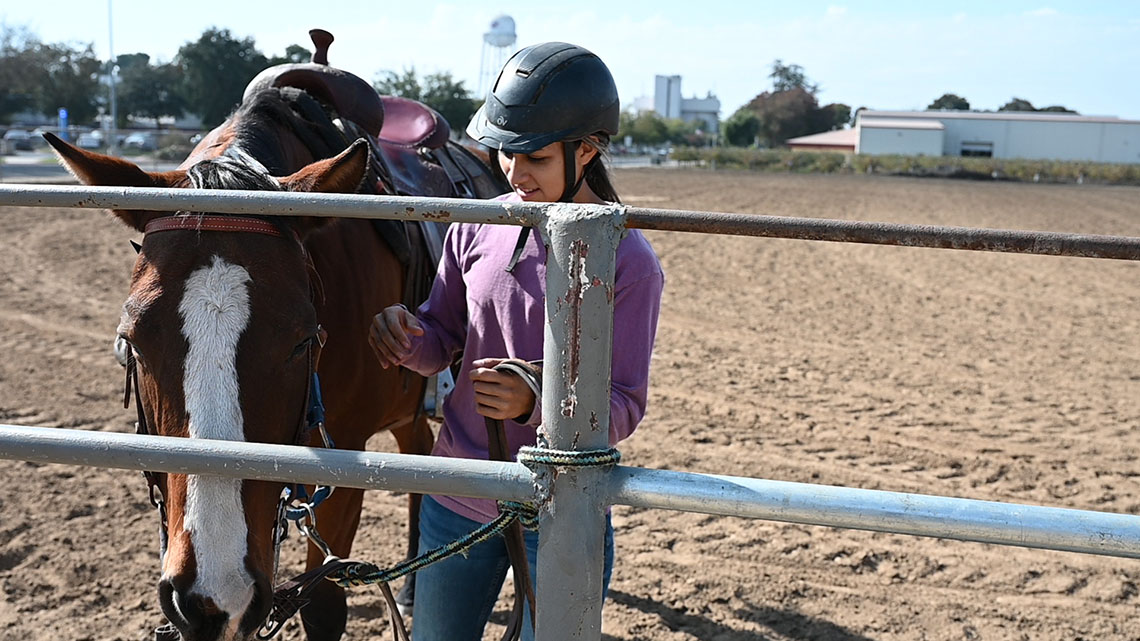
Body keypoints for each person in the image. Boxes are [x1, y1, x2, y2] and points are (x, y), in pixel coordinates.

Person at [369, 41, 665, 641]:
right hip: (457, 496)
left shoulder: (628, 262)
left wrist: (535, 404)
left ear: (588, 150)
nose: (514, 172)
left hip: (563, 506)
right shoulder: (480, 222)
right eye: (506, 152)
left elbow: (624, 405)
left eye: (535, 156)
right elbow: (443, 338)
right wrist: (405, 338)